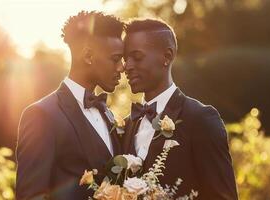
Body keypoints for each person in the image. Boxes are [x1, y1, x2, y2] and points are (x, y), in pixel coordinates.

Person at [123, 18, 238, 199]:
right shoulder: (127, 125)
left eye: (137, 57)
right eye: (125, 59)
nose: (127, 66)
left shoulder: (201, 119)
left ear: (167, 56)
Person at [16, 11, 124, 199]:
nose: (122, 67)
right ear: (88, 55)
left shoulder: (107, 113)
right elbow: (31, 195)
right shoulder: (41, 115)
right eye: (115, 59)